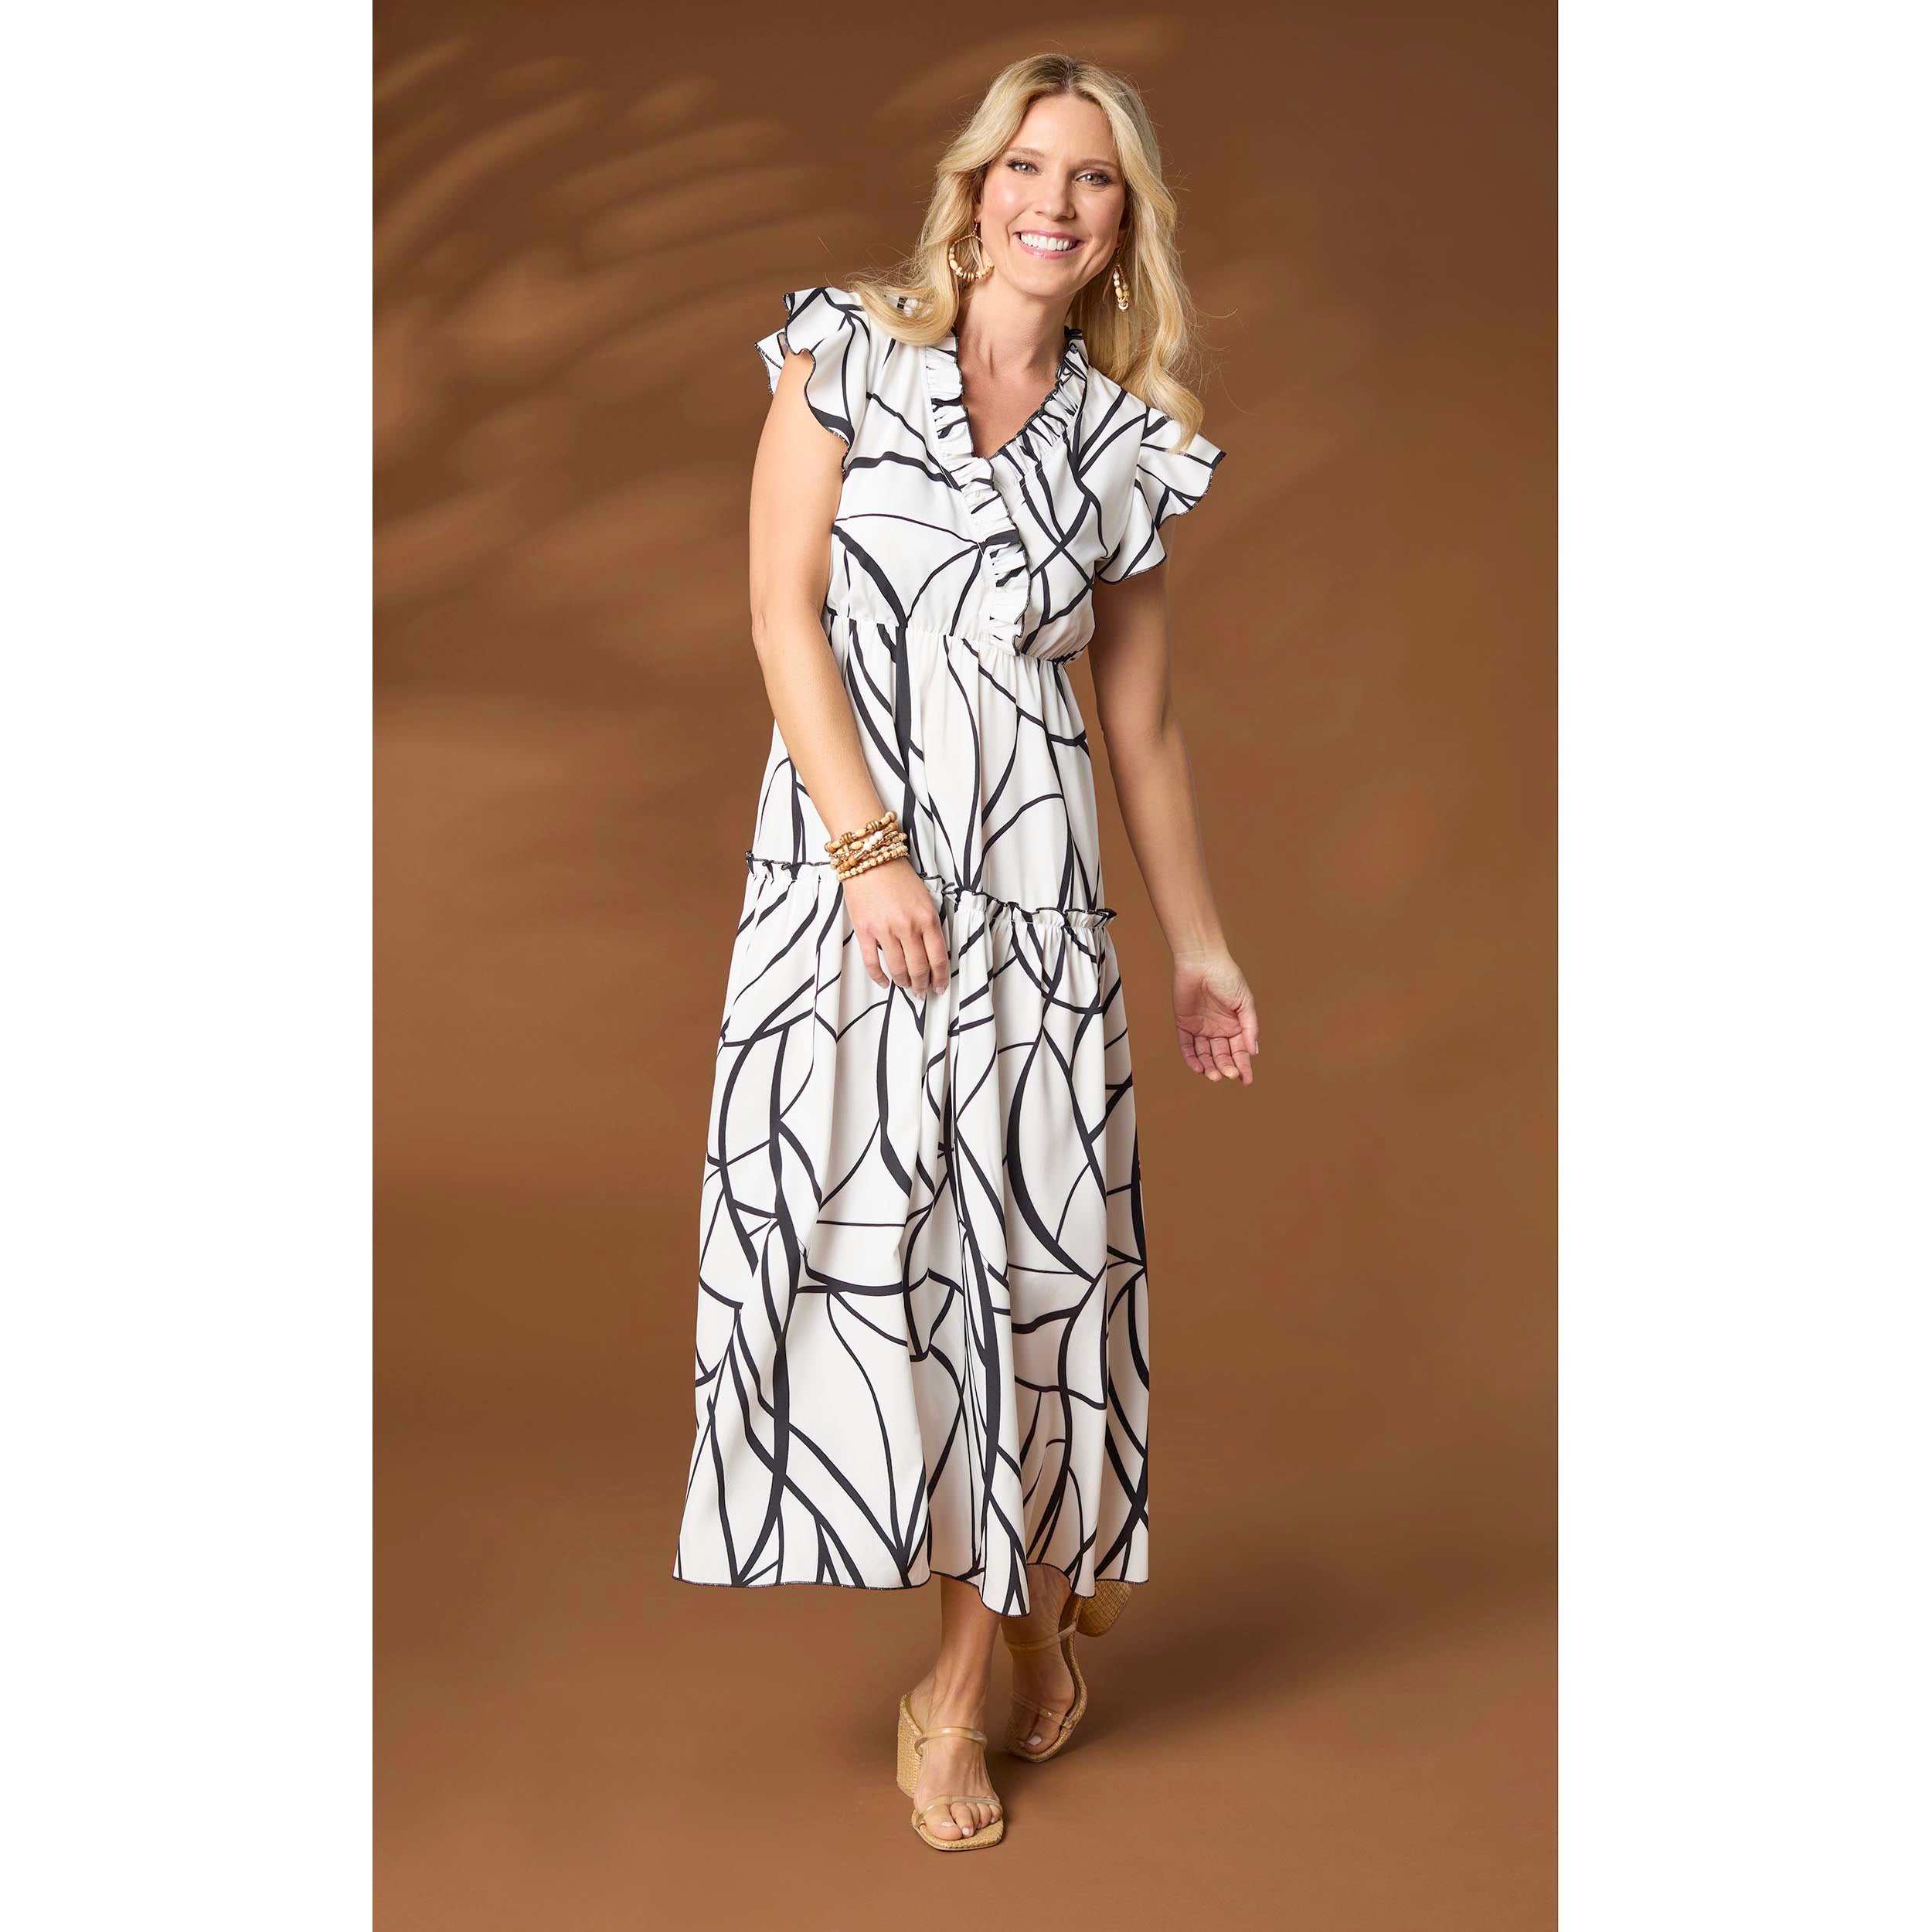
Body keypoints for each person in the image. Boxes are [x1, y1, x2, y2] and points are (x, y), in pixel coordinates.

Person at [673, 52, 1259, 1851]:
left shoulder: (1121, 447)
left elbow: (1138, 724)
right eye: (1025, 164)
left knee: (1024, 1275)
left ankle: (957, 1680)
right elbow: (778, 610)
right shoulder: (844, 354)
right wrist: (867, 853)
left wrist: (1201, 948)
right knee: (891, 1263)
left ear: (1122, 222)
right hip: (848, 897)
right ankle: (1018, 1618)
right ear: (973, 185)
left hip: (1034, 909)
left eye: (1090, 178)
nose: (1050, 202)